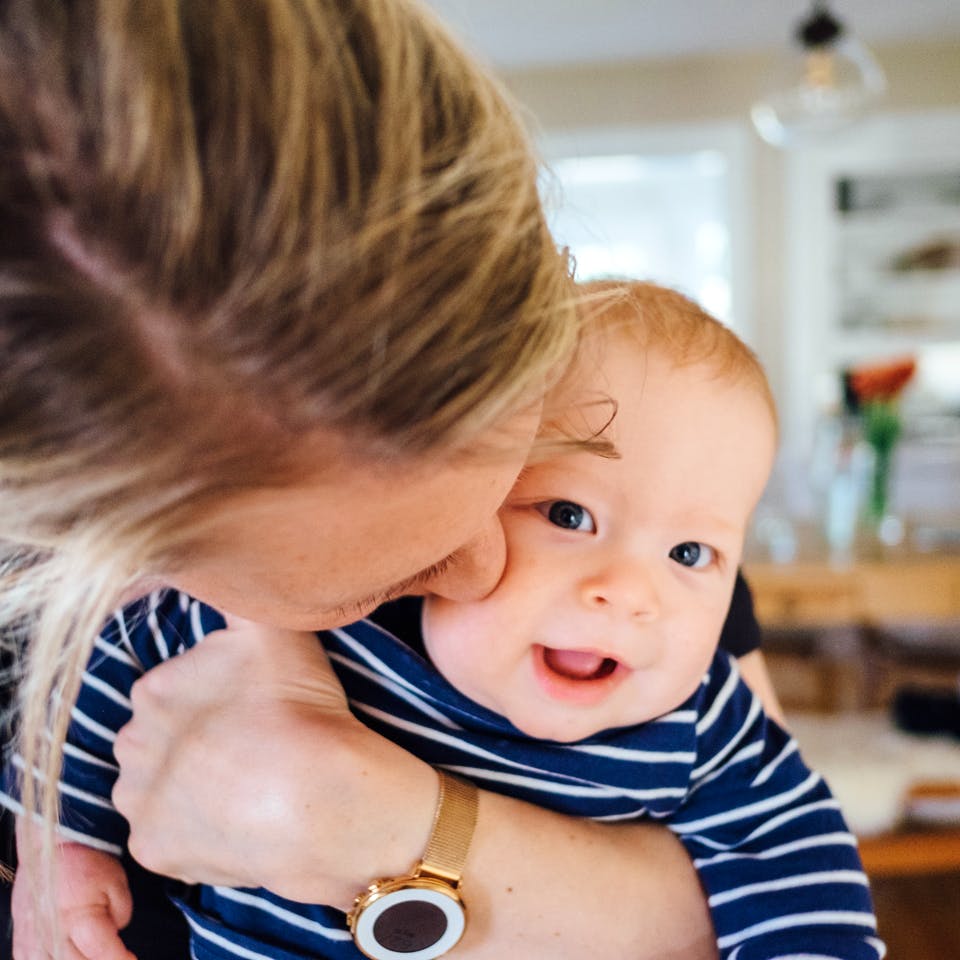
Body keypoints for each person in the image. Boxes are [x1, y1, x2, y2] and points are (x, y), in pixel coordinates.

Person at [0, 3, 778, 958]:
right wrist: (59, 833)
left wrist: (387, 827)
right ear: (114, 557)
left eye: (522, 477)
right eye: (387, 576)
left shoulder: (630, 541)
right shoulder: (130, 631)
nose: (492, 563)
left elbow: (756, 883)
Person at [8, 283, 883, 960]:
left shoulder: (700, 717)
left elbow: (796, 863)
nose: (628, 590)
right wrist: (61, 844)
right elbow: (96, 672)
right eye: (568, 516)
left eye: (691, 555)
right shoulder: (336, 612)